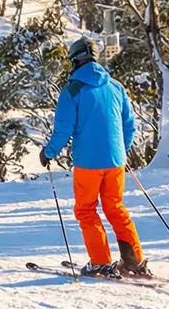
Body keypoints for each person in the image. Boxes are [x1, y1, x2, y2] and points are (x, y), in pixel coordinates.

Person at [39, 38, 149, 279]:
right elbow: (129, 126)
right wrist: (120, 151)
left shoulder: (73, 90)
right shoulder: (116, 87)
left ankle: (100, 262)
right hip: (116, 162)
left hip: (88, 164)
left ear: (75, 60)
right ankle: (134, 260)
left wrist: (48, 153)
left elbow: (63, 129)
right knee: (116, 208)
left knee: (86, 210)